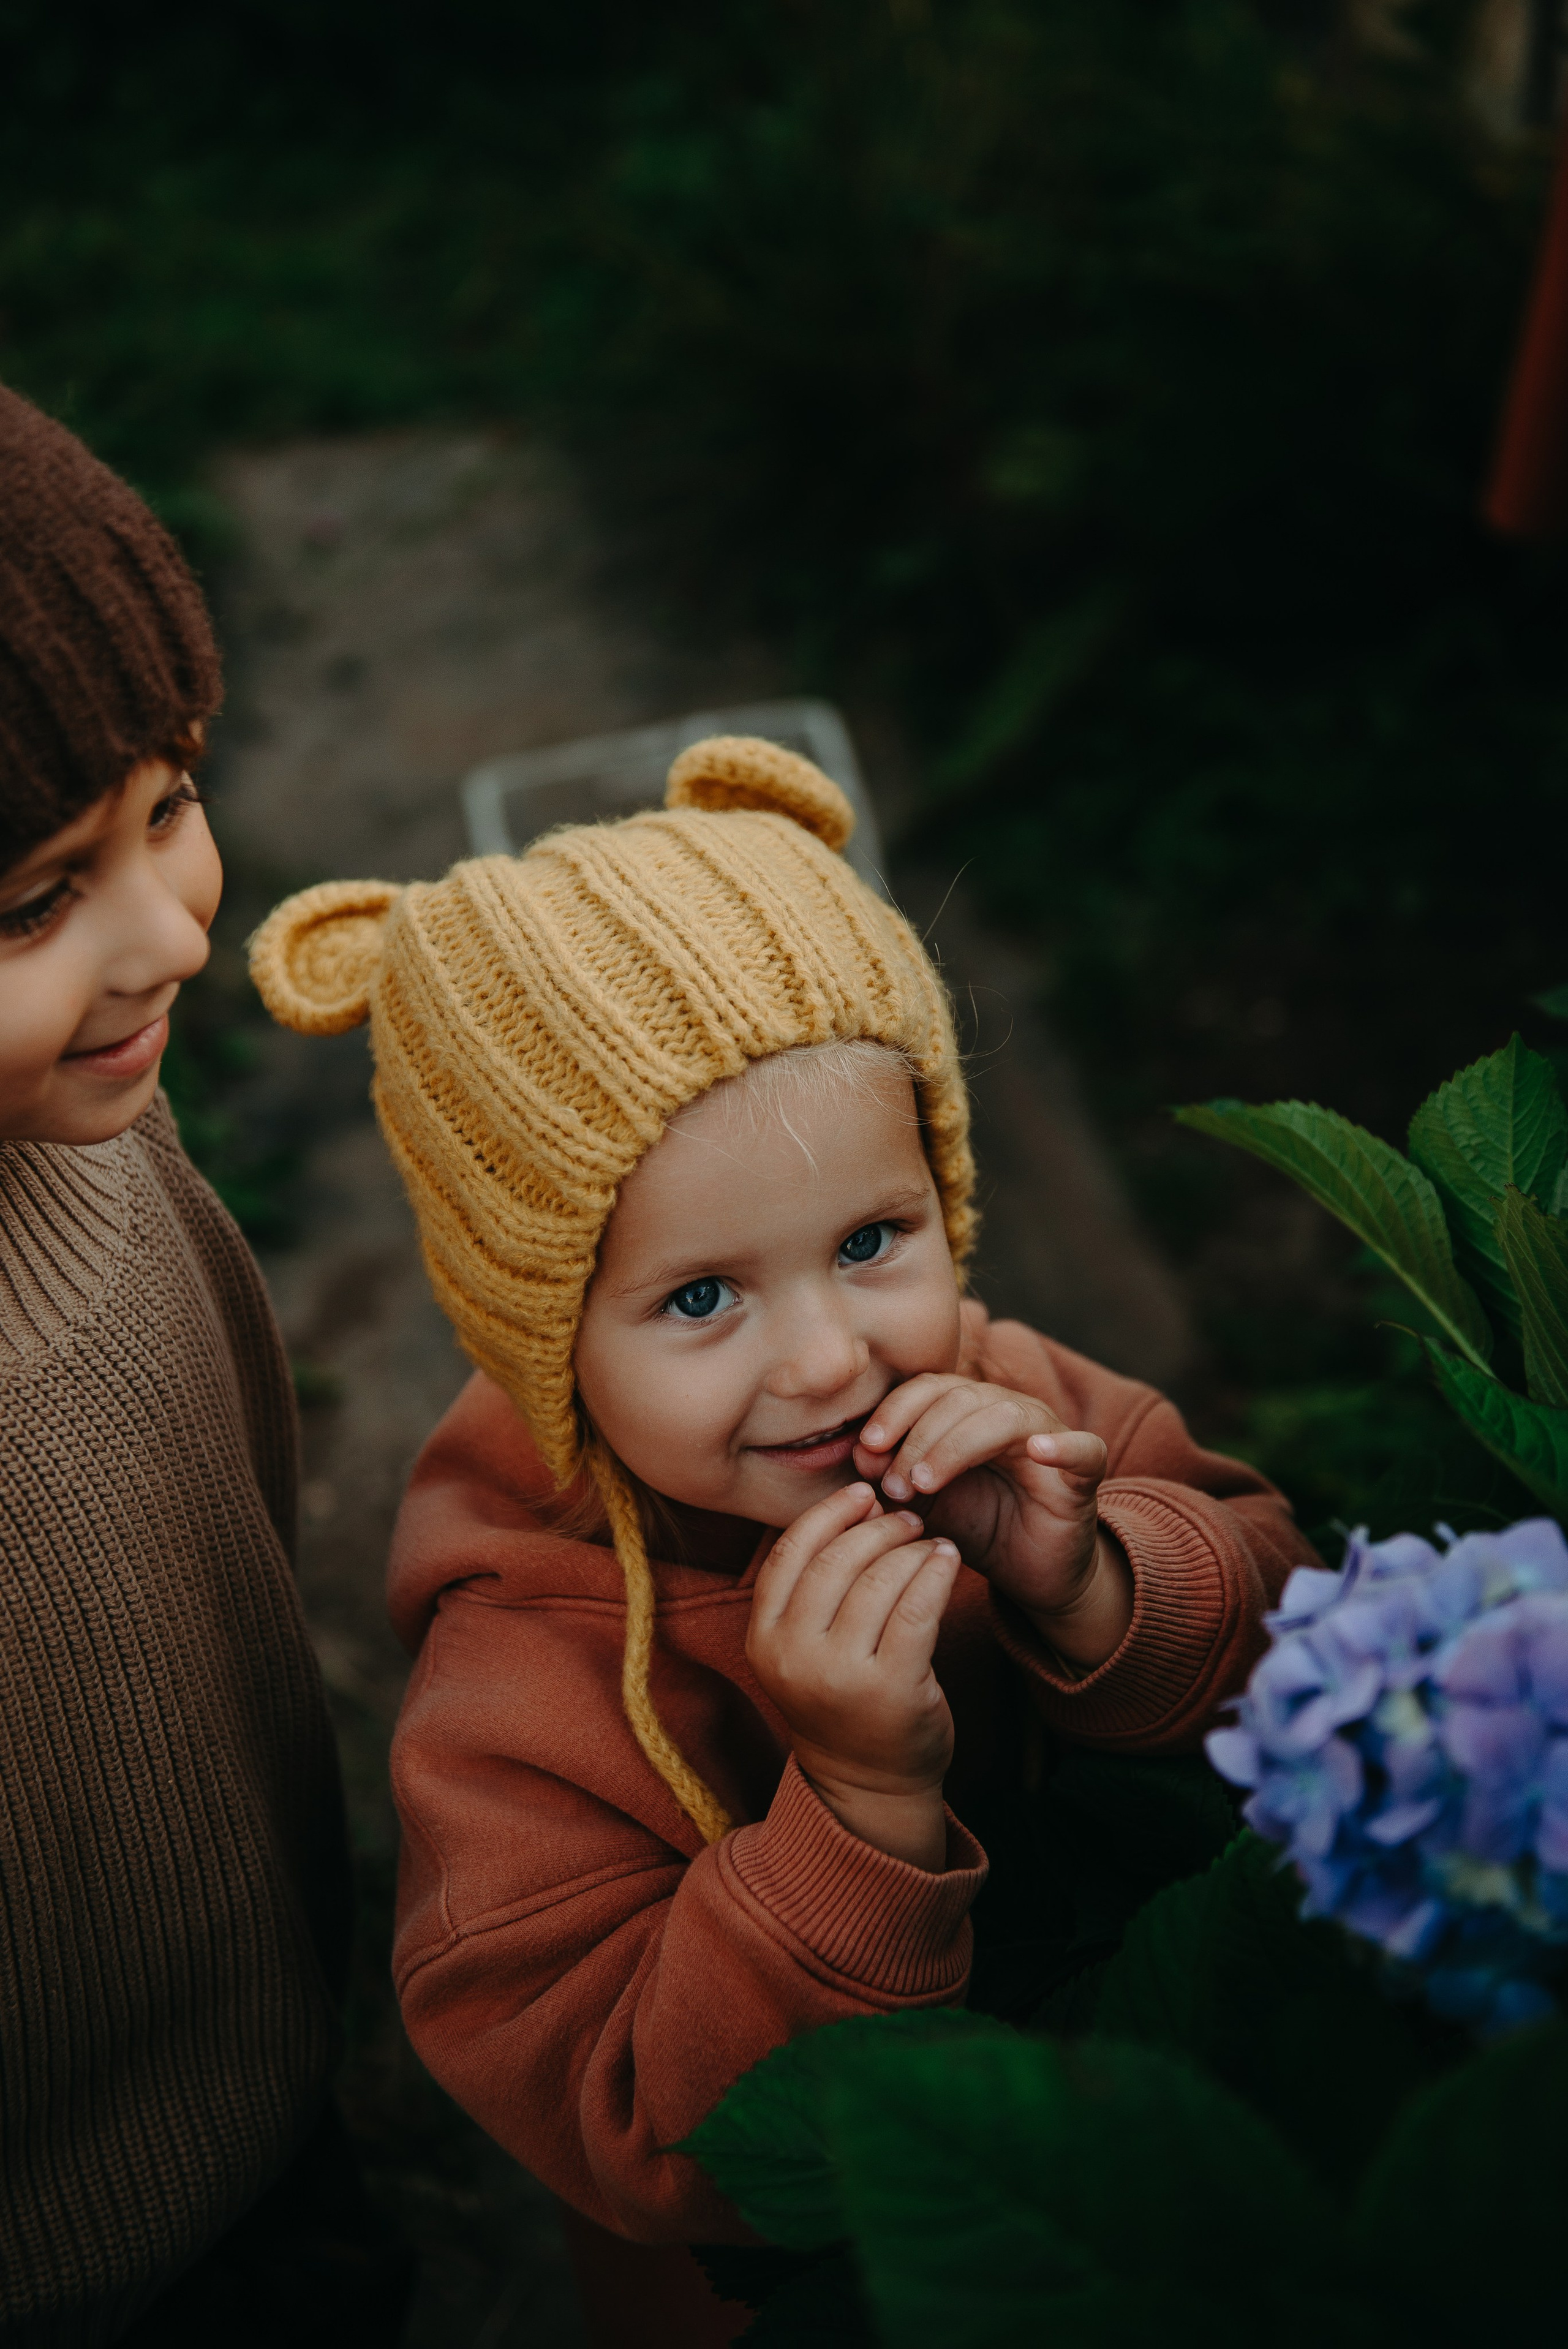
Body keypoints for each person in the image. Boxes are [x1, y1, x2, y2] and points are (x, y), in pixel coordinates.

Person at [251, 735, 1318, 2345]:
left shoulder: (1014, 1396)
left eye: (874, 1239)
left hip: (1150, 2177)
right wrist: (863, 1807)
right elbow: (621, 2112)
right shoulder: (517, 1678)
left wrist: (1096, 1587)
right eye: (701, 1296)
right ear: (544, 1331)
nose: (830, 1359)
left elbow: (1300, 1618)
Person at [0, 384, 406, 2345]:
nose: (169, 929)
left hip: (265, 2074)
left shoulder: (91, 1131)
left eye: (171, 804)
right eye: (34, 899)